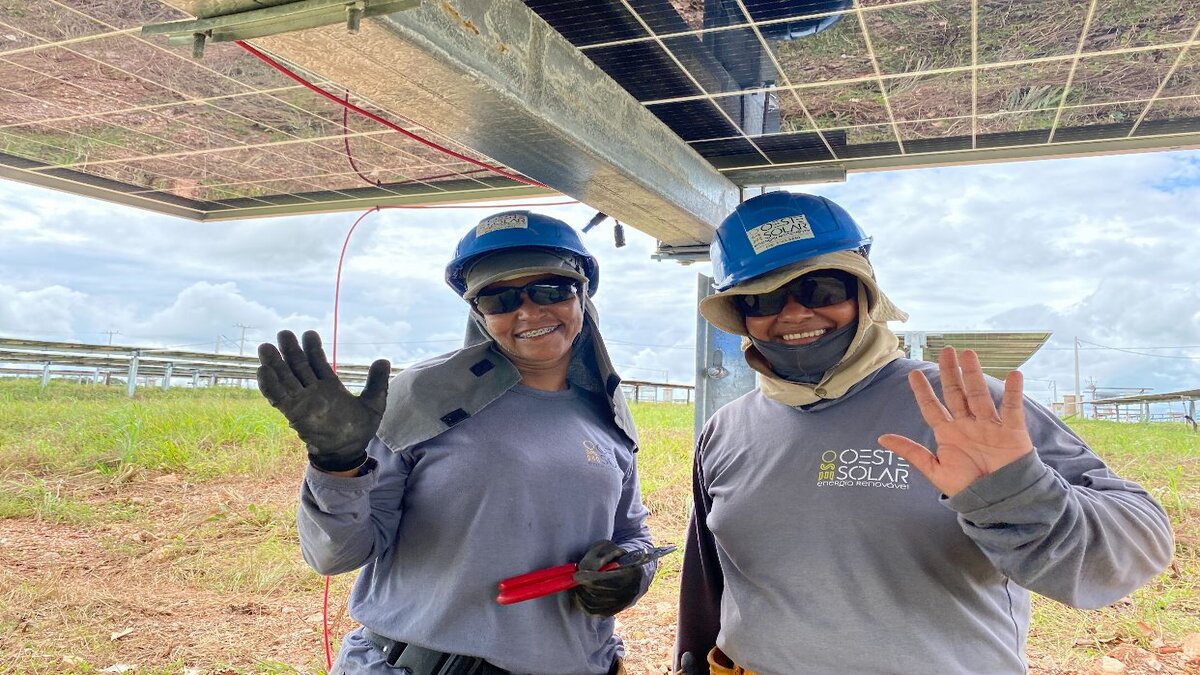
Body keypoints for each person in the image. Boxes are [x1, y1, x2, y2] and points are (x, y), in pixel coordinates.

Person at [674, 191, 1175, 674]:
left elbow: (1140, 545)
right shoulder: (727, 429)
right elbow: (708, 572)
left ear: (865, 293)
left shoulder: (967, 407)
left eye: (820, 289)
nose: (794, 314)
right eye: (763, 298)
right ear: (740, 316)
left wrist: (1018, 498)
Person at [256, 210, 658, 675]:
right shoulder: (424, 400)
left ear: (582, 293)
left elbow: (632, 536)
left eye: (552, 289)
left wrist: (632, 572)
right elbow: (335, 554)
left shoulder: (605, 414)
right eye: (499, 298)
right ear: (478, 312)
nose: (529, 312)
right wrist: (337, 463)